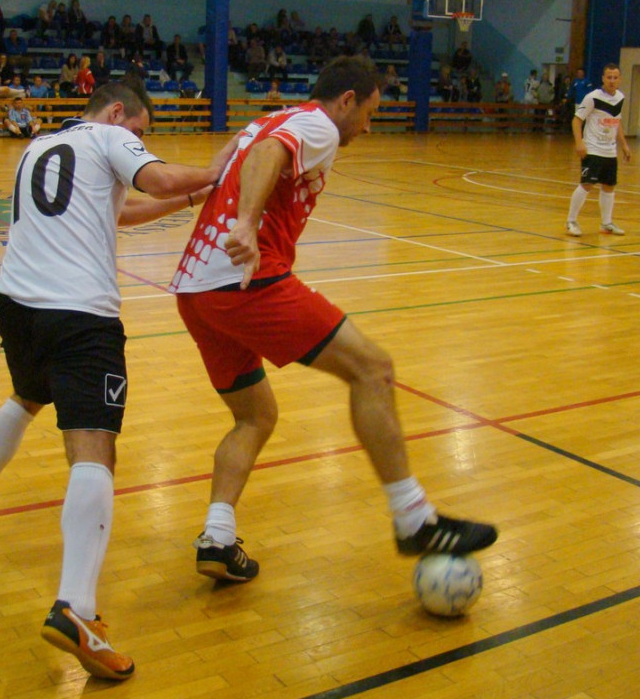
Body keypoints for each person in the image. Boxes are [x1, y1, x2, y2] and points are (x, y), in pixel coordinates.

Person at [0, 78, 237, 681]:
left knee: (26, 396)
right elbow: (151, 178)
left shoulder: (40, 145)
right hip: (78, 315)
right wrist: (211, 170)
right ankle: (78, 609)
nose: (141, 143)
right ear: (119, 113)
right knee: (95, 447)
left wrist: (186, 202)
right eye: (141, 133)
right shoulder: (108, 135)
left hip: (17, 305)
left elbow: (120, 211)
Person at [168, 56, 498, 585]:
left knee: (255, 416)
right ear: (347, 100)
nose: (367, 128)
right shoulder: (317, 126)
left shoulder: (270, 118)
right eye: (368, 113)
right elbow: (269, 156)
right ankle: (415, 520)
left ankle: (218, 536)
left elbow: (238, 158)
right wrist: (248, 225)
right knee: (373, 369)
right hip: (243, 281)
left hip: (194, 291)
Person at [565, 63, 632, 237]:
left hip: (610, 151)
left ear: (620, 79)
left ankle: (606, 223)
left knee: (609, 186)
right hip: (593, 149)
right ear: (603, 78)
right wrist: (579, 143)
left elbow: (617, 122)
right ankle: (571, 221)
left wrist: (624, 145)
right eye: (608, 77)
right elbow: (576, 120)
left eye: (615, 77)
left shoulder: (620, 98)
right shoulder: (592, 97)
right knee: (587, 184)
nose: (612, 80)